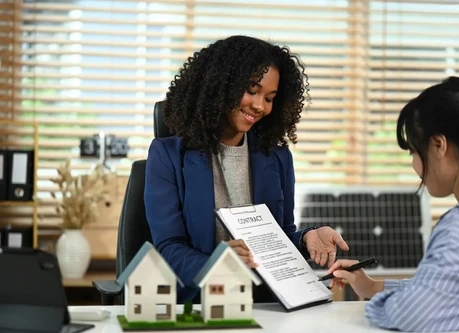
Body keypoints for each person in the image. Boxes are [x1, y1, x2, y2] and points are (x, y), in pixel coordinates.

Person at [144, 35, 349, 303]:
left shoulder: (277, 158)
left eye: (269, 98)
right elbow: (168, 247)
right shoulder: (167, 155)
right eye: (252, 90)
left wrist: (306, 239)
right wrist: (217, 263)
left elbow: (279, 238)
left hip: (265, 303)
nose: (259, 106)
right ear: (220, 86)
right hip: (200, 301)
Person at [326, 75, 459, 332]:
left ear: (439, 145)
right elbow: (458, 283)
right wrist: (374, 287)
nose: (414, 165)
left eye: (413, 151)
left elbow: (413, 316)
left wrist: (381, 303)